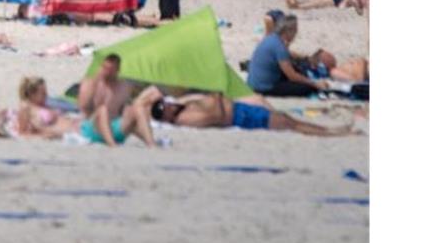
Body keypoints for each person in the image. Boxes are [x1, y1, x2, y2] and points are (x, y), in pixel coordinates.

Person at [146, 89, 350, 136]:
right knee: (288, 123)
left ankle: (328, 129)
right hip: (240, 117)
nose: (170, 106)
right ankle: (330, 132)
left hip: (239, 108)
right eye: (166, 108)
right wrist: (216, 95)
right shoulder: (185, 118)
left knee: (287, 119)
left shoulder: (182, 106)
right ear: (167, 117)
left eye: (166, 103)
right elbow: (215, 117)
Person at [76, 54, 155, 148]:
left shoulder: (124, 86)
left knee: (137, 108)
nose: (107, 72)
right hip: (92, 129)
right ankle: (112, 145)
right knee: (102, 110)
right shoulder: (91, 83)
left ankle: (151, 144)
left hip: (116, 129)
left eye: (110, 69)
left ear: (117, 70)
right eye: (105, 68)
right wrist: (94, 84)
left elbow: (134, 105)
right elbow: (83, 107)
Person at [246, 14, 329, 97]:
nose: (296, 34)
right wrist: (314, 83)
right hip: (264, 88)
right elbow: (292, 76)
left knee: (297, 73)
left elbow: (287, 54)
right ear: (288, 31)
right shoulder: (279, 47)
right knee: (306, 88)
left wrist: (305, 57)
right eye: (295, 31)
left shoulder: (271, 38)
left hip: (253, 83)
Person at [11, 77, 82, 139]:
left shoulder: (45, 104)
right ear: (32, 95)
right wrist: (42, 136)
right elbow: (23, 133)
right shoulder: (26, 107)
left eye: (46, 92)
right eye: (43, 93)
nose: (46, 95)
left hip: (77, 127)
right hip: (70, 133)